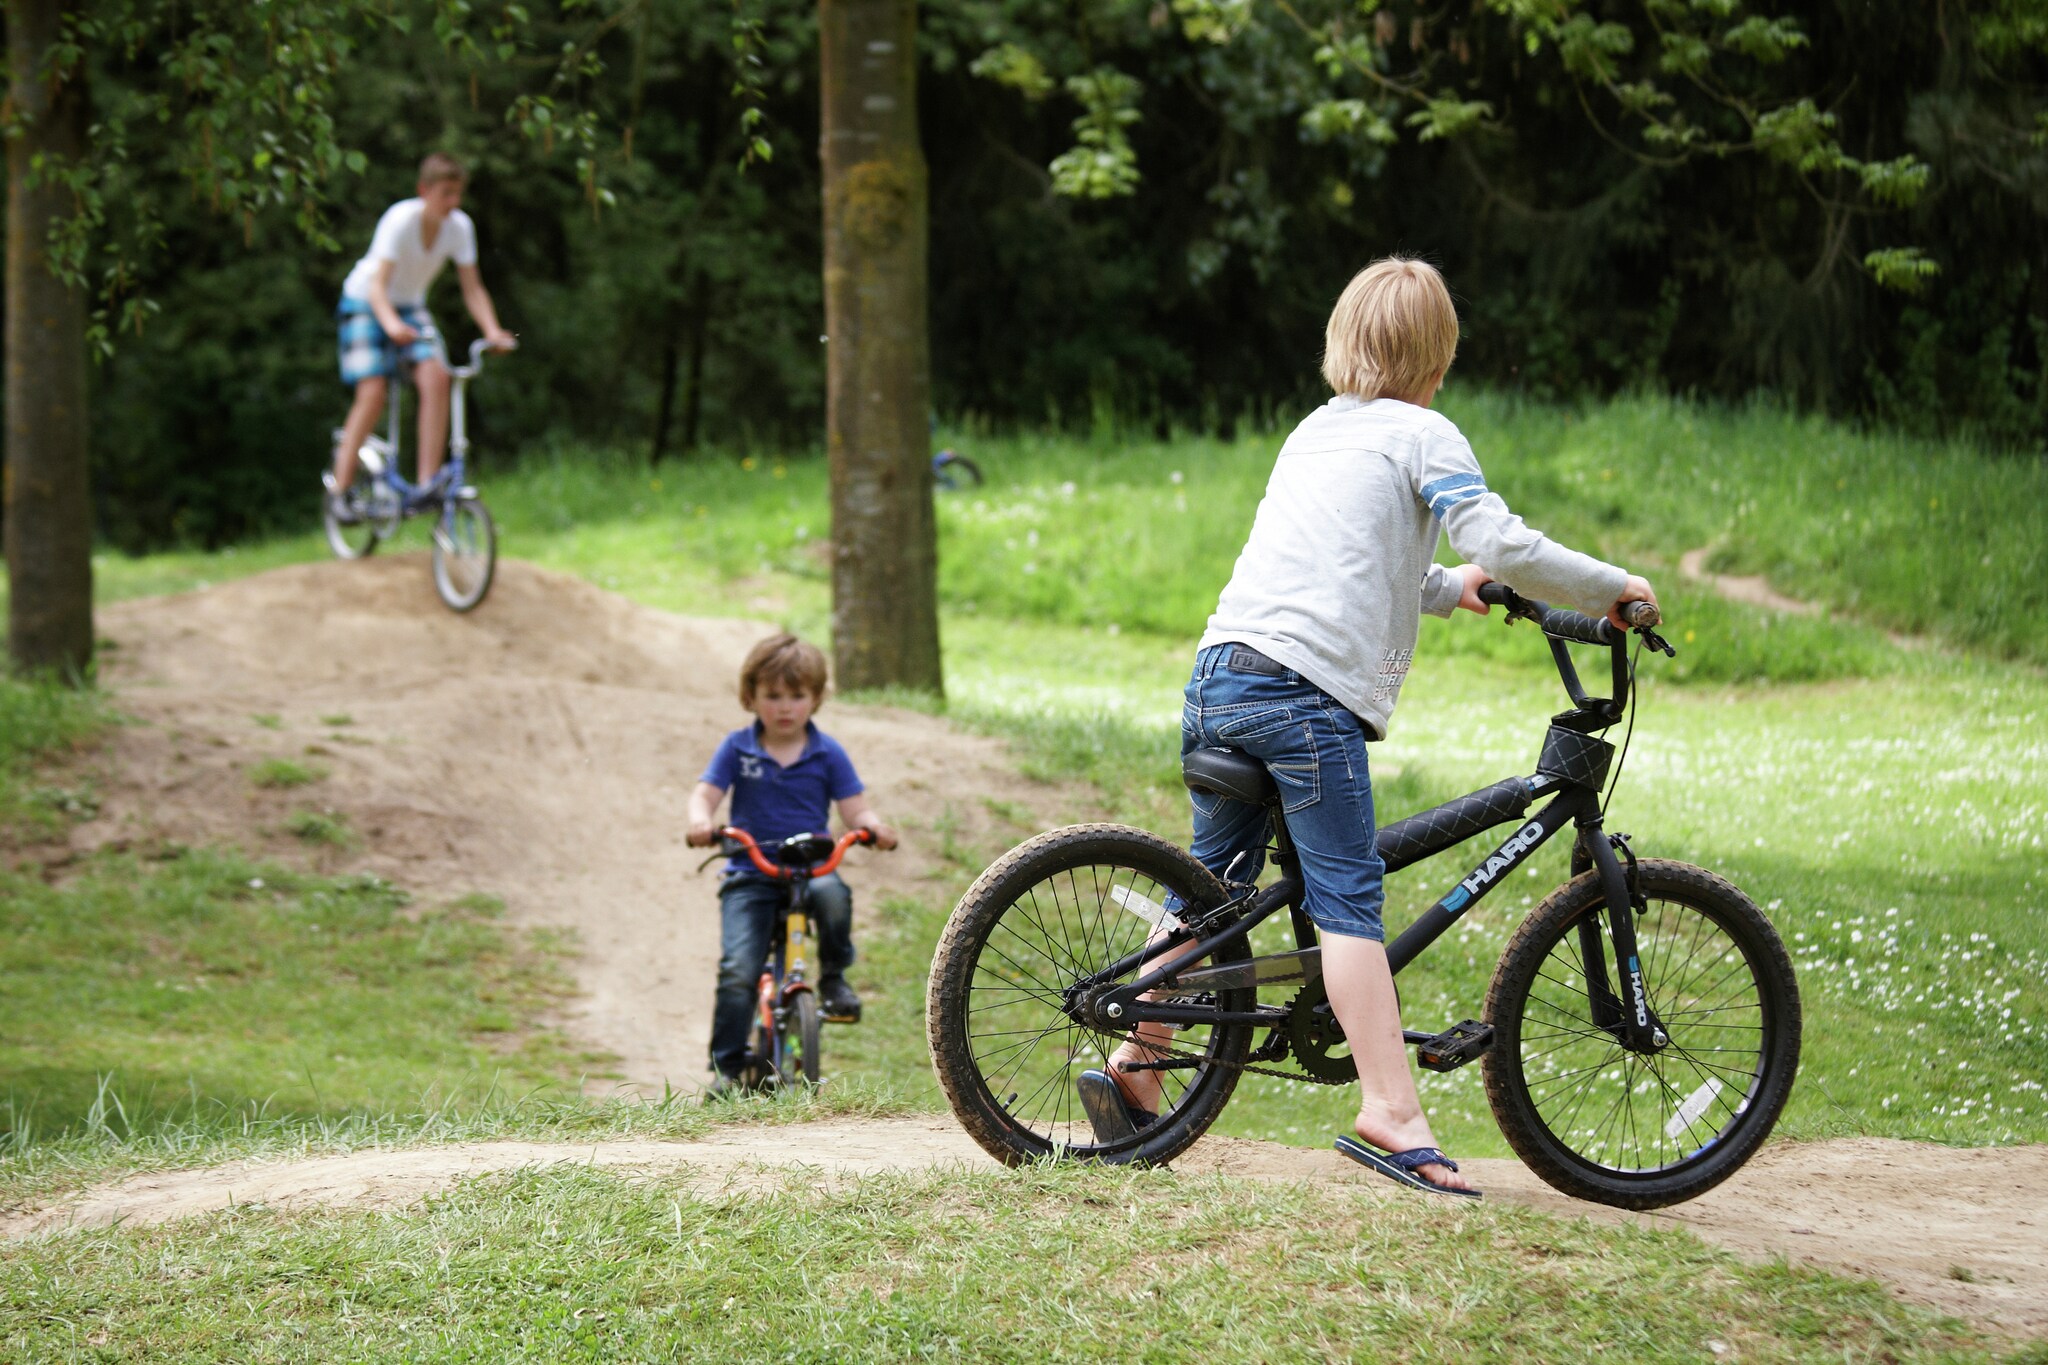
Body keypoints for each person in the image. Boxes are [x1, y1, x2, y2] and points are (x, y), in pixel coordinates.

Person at [1083, 257, 1657, 1197]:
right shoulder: (1426, 431)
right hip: (1303, 699)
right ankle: (1392, 1111)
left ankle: (1138, 1065)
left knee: (1214, 896)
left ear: (1341, 343)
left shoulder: (1315, 431)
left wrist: (1449, 589)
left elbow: (1347, 557)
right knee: (1348, 902)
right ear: (1439, 359)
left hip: (1221, 674)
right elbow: (1500, 541)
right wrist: (1613, 588)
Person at [685, 633, 898, 1091]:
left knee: (834, 895)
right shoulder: (738, 749)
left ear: (815, 698)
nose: (785, 707)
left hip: (808, 870)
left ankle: (834, 978)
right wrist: (701, 821)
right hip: (751, 871)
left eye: (797, 696)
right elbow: (705, 794)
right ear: (751, 696)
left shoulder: (827, 753)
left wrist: (873, 827)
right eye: (773, 696)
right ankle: (726, 1068)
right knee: (739, 969)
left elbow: (855, 809)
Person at [326, 153, 515, 516]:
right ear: (424, 190)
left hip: (410, 306)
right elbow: (377, 287)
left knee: (437, 377)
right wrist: (391, 326)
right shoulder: (400, 220)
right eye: (446, 193)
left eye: (457, 194)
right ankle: (341, 489)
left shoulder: (459, 227)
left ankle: (426, 483)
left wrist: (492, 330)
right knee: (373, 392)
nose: (453, 202)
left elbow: (473, 288)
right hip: (366, 301)